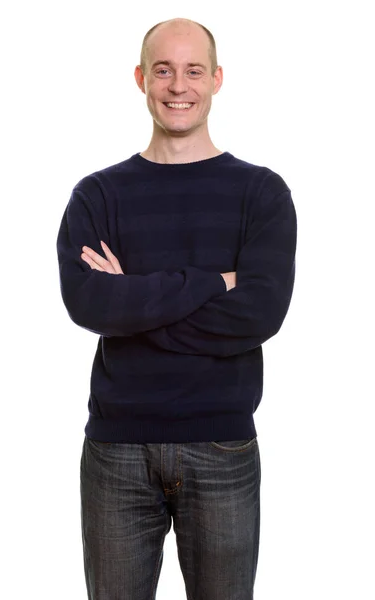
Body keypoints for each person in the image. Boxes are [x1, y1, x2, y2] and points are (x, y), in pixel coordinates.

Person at [56, 16, 297, 600]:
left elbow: (259, 314)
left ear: (217, 80)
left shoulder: (261, 193)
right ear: (141, 78)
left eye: (193, 71)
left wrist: (133, 301)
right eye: (163, 70)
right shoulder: (98, 194)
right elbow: (87, 301)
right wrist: (215, 281)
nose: (177, 85)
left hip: (221, 446)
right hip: (116, 449)